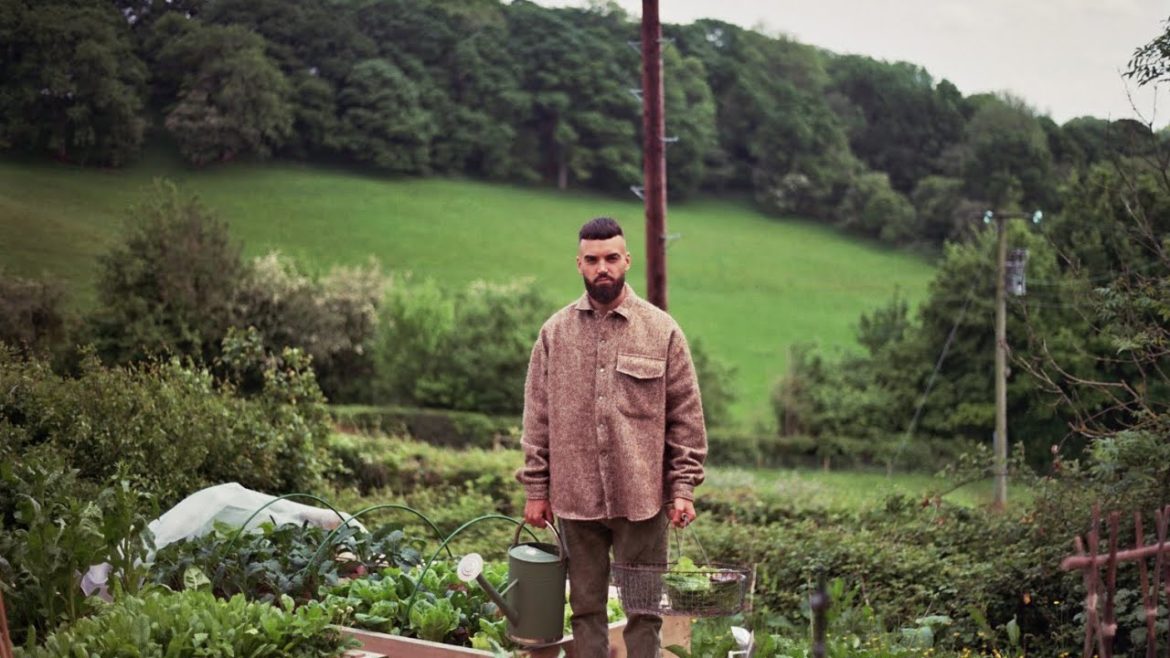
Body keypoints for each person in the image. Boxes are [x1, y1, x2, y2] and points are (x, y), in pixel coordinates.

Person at [516, 217, 707, 658]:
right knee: (585, 609)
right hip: (575, 498)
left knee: (644, 611)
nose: (603, 267)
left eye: (611, 258)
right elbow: (536, 419)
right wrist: (536, 488)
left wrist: (683, 488)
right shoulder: (554, 334)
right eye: (592, 259)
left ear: (627, 261)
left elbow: (686, 418)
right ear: (579, 264)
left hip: (641, 499)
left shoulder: (662, 331)